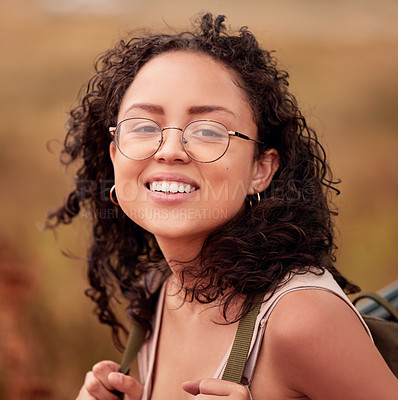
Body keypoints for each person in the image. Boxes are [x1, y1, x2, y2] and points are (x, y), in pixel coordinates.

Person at [47, 13, 398, 400]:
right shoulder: (158, 293)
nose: (170, 150)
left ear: (260, 170)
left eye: (208, 131)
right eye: (145, 126)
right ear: (115, 156)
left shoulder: (300, 320)